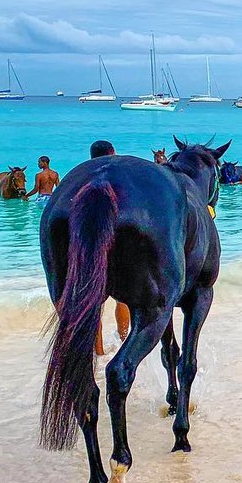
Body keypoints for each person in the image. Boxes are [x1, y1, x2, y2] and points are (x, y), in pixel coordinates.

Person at [86, 140, 130, 355]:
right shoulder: (120, 177)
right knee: (123, 297)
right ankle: (124, 341)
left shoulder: (84, 177)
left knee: (93, 300)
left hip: (90, 241)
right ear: (112, 153)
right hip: (118, 238)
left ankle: (99, 352)